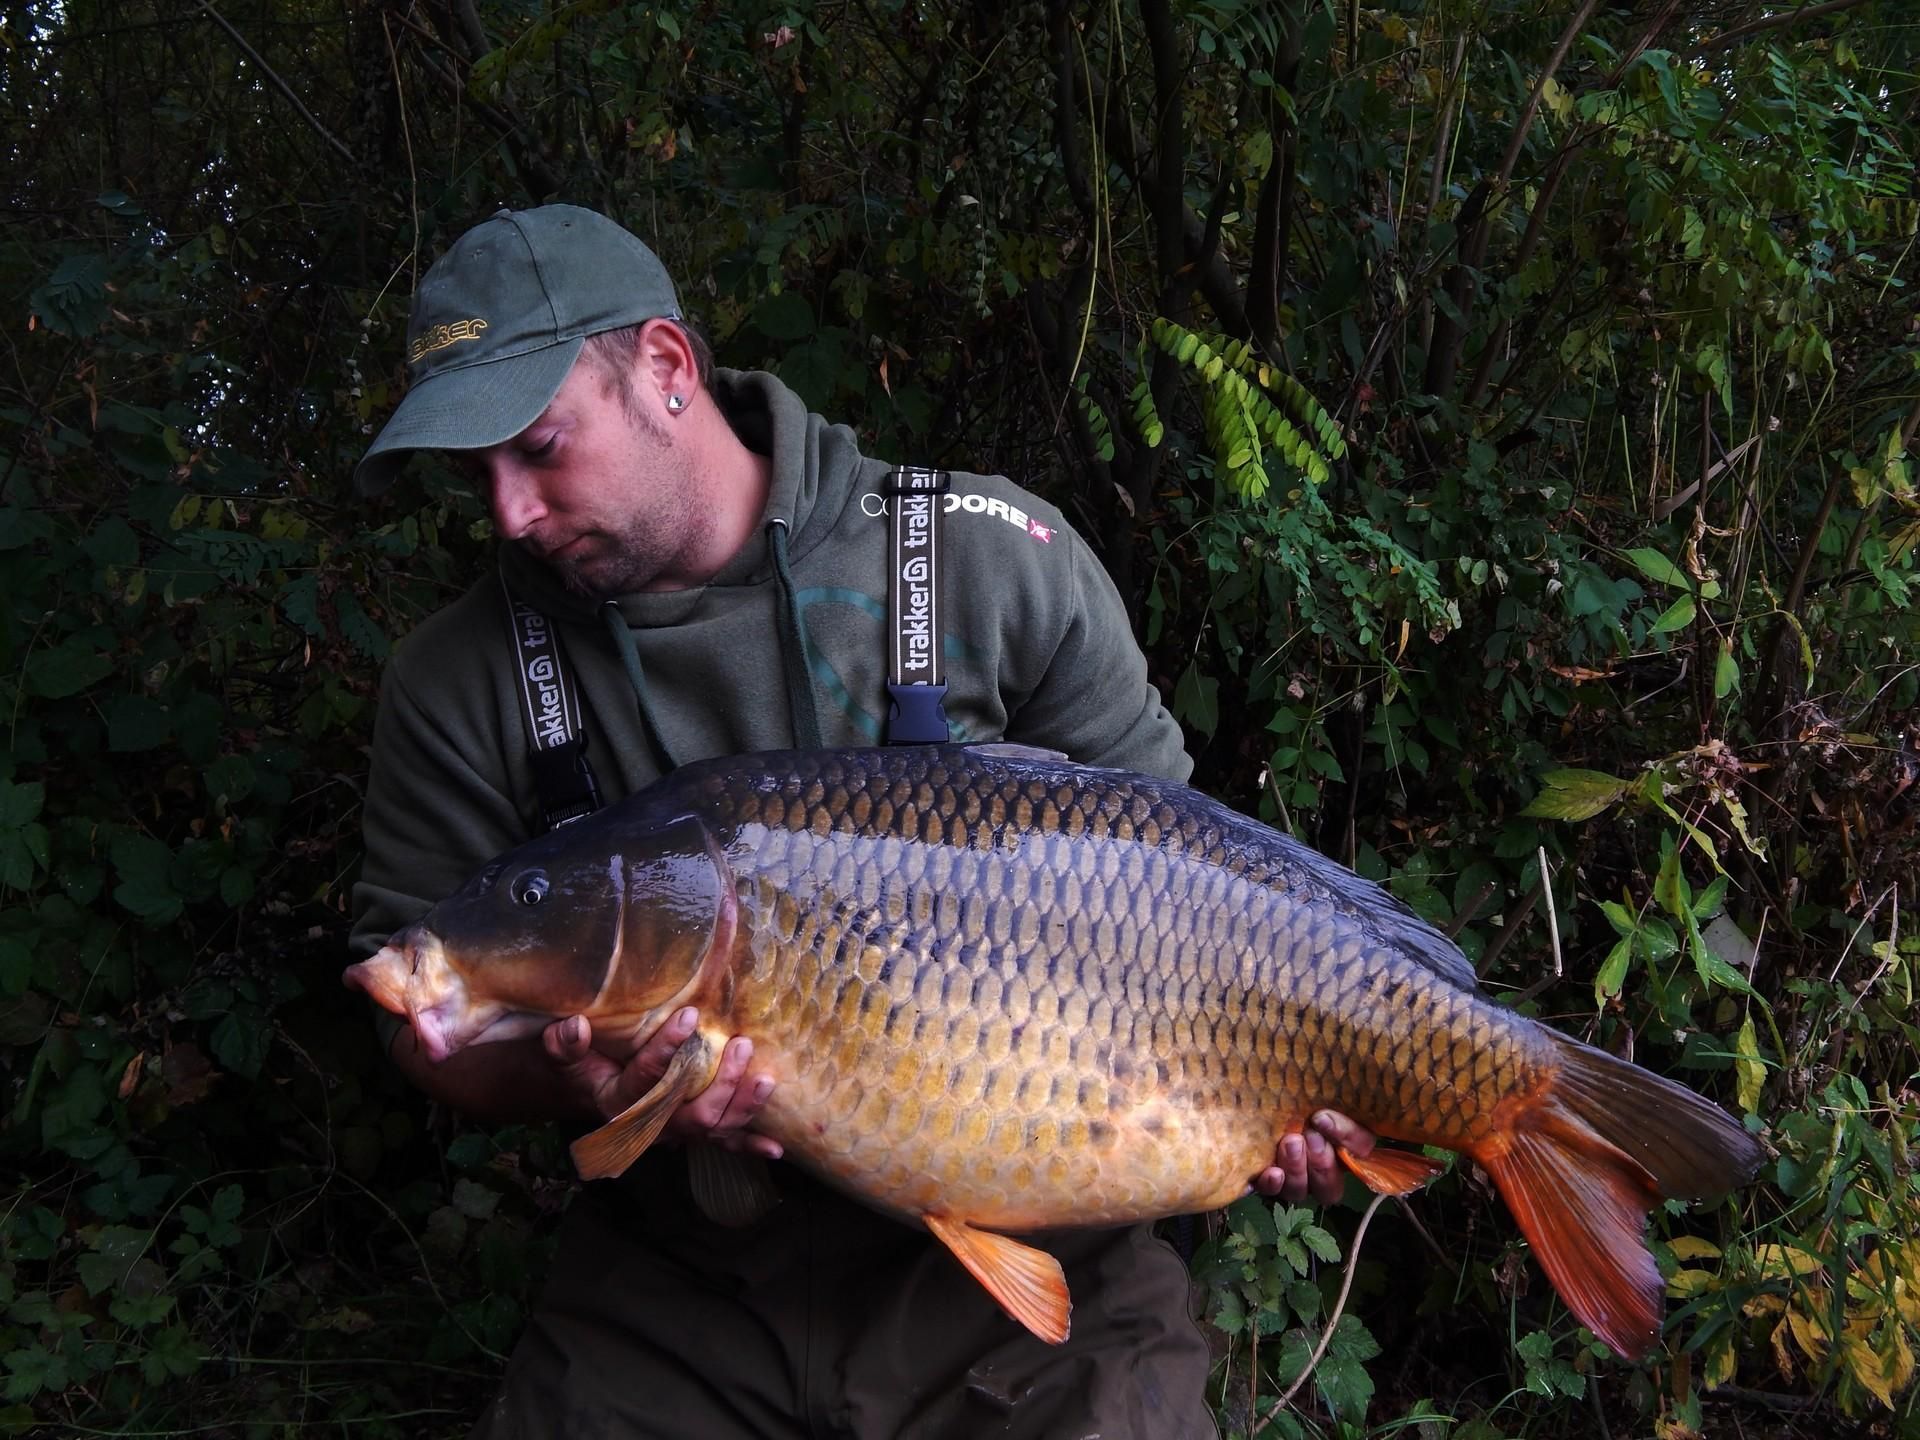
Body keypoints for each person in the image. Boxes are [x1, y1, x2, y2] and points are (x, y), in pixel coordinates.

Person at [349, 204, 1377, 1439]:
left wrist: (1301, 1079)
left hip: (1033, 1275)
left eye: (541, 448)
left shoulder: (990, 558)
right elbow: (424, 1024)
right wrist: (586, 1080)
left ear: (666, 370)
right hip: (678, 1286)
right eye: (479, 477)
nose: (511, 513)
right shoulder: (461, 674)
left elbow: (1190, 900)